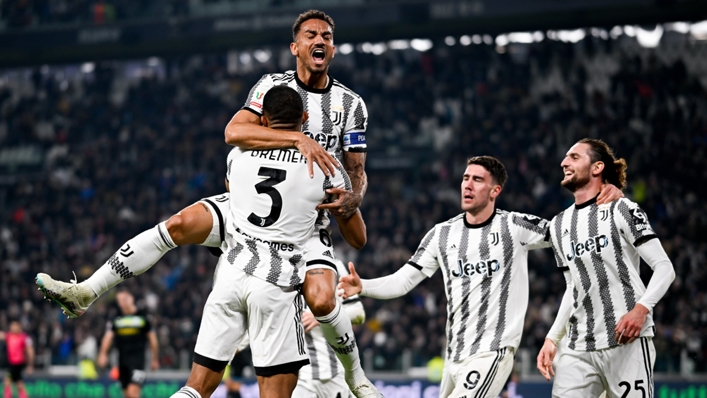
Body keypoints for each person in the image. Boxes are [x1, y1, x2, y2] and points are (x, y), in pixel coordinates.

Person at [36, 8, 377, 396]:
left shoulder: (351, 106)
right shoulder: (269, 85)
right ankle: (87, 292)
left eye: (327, 36)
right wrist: (297, 140)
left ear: (333, 48)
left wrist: (354, 198)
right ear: (294, 46)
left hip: (308, 220)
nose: (320, 41)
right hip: (249, 201)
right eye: (312, 35)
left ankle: (356, 376)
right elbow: (235, 130)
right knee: (180, 224)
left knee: (319, 297)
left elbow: (356, 172)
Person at [337, 156, 622, 398]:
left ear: (495, 190)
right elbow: (404, 280)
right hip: (454, 357)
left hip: (492, 352)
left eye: (477, 180)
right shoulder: (441, 234)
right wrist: (363, 286)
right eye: (465, 178)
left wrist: (605, 200)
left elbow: (567, 230)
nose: (467, 185)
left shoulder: (513, 226)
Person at [171, 86, 368, 398]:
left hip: (231, 277)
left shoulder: (237, 157)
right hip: (275, 282)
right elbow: (358, 239)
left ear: (262, 120)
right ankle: (358, 379)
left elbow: (234, 192)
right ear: (304, 118)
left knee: (195, 388)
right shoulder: (325, 167)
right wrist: (346, 206)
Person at [536, 138, 675, 398]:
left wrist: (641, 310)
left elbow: (665, 268)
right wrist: (552, 338)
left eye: (574, 157)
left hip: (626, 341)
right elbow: (572, 288)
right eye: (566, 157)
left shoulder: (623, 208)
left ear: (597, 167)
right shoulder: (558, 225)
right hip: (578, 346)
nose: (564, 162)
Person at [294, 259, 366, 398]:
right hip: (299, 375)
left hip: (334, 371)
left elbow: (358, 313)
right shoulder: (281, 265)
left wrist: (321, 317)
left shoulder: (333, 266)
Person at [97, 290, 159, 398]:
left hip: (138, 361)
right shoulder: (116, 318)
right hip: (122, 361)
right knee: (127, 394)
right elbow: (108, 337)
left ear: (132, 299)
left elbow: (152, 339)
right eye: (119, 301)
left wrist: (155, 359)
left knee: (133, 392)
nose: (122, 303)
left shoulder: (143, 316)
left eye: (124, 299)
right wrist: (103, 354)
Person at [0, 322, 33, 398]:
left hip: (17, 364)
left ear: (19, 327)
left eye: (14, 326)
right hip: (12, 364)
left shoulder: (24, 337)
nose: (12, 328)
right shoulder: (9, 336)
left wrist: (30, 365)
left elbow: (30, 351)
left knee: (7, 381)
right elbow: (1, 335)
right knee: (19, 383)